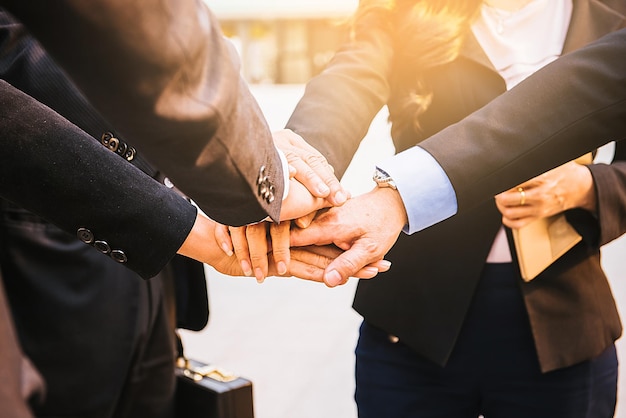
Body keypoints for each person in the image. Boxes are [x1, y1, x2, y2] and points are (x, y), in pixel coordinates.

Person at [284, 0, 626, 416]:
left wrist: (588, 186)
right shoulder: (407, 10)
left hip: (561, 324)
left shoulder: (613, 14)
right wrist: (302, 169)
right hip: (415, 319)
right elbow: (345, 86)